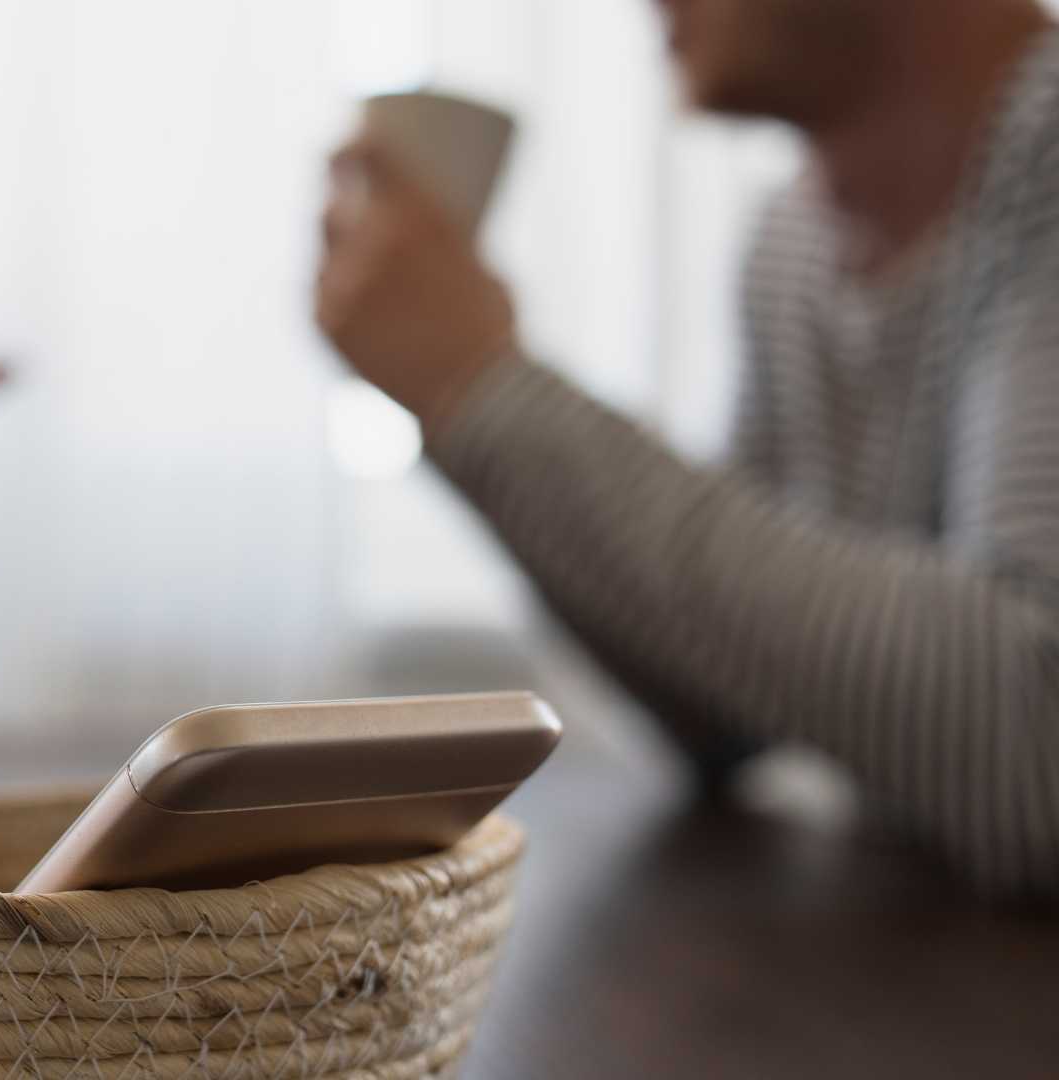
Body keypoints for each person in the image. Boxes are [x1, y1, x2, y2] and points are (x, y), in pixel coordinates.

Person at [318, 0, 1059, 898]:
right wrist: (460, 411)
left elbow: (1037, 745)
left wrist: (483, 387)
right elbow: (728, 709)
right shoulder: (791, 248)